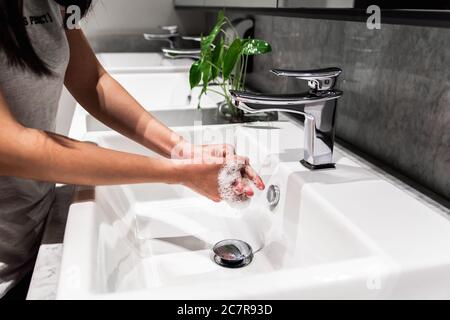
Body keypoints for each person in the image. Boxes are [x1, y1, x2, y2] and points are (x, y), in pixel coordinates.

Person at [0, 0, 264, 299]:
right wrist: (179, 173)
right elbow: (11, 146)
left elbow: (92, 81)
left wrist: (183, 151)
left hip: (30, 238)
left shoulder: (53, 3)